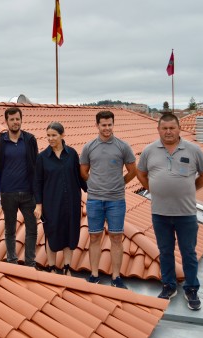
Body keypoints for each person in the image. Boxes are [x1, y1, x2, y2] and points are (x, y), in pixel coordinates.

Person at [137, 113, 203, 310]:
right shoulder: (149, 150)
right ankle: (169, 285)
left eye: (172, 128)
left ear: (179, 129)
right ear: (159, 129)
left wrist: (191, 189)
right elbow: (140, 172)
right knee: (165, 251)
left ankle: (191, 288)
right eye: (164, 128)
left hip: (186, 213)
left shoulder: (193, 150)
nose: (168, 132)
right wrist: (152, 189)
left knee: (188, 252)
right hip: (160, 212)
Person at [79, 110, 136, 289]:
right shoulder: (89, 147)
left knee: (116, 237)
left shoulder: (123, 146)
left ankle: (116, 277)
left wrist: (120, 183)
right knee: (94, 237)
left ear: (113, 124)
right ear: (97, 125)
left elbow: (133, 171)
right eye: (103, 125)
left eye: (109, 124)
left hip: (116, 200)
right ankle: (94, 274)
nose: (107, 128)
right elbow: (83, 172)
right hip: (95, 199)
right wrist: (94, 184)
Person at [34, 122, 87, 275]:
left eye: (54, 135)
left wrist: (94, 191)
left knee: (69, 233)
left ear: (62, 135)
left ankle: (67, 267)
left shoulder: (72, 154)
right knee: (51, 232)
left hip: (71, 202)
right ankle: (51, 267)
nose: (50, 139)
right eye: (48, 136)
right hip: (51, 203)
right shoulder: (42, 158)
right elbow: (37, 183)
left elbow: (80, 178)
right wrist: (39, 205)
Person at [0, 107, 38, 267]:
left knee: (32, 228)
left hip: (28, 193)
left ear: (21, 120)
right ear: (6, 121)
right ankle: (12, 261)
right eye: (12, 119)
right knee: (9, 229)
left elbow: (35, 167)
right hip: (8, 193)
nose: (15, 122)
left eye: (17, 119)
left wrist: (37, 193)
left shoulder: (30, 140)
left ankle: (30, 262)